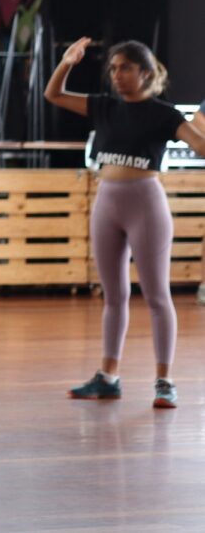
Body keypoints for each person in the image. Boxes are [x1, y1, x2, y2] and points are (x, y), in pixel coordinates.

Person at [44, 37, 205, 408]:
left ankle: (164, 381)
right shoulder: (104, 107)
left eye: (125, 68)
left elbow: (200, 145)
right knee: (113, 296)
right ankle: (108, 377)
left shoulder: (165, 113)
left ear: (145, 72)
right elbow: (54, 95)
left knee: (157, 296)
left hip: (145, 204)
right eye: (113, 68)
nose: (117, 75)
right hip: (107, 203)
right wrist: (67, 61)